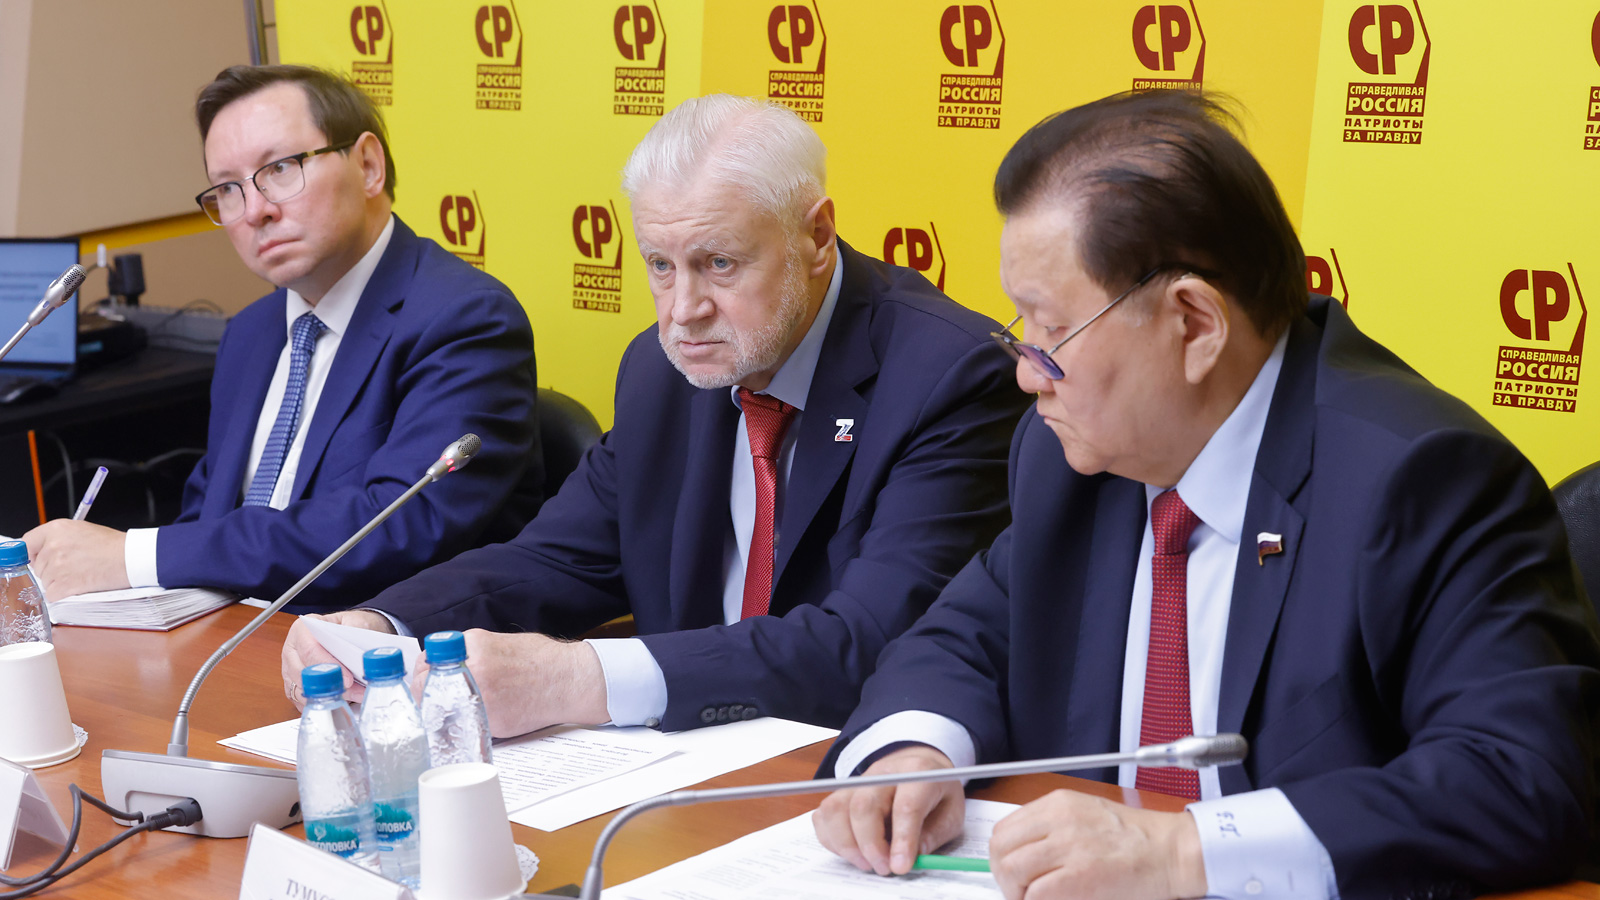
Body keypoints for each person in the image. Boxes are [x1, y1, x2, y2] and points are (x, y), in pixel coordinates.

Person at [812, 90, 1600, 900]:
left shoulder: (1420, 482)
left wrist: (1186, 850)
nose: (1026, 374)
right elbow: (966, 635)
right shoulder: (1072, 456)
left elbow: (1520, 776)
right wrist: (914, 749)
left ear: (1193, 323)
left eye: (1048, 331)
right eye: (1019, 328)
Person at [281, 93, 1030, 733]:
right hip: (679, 761)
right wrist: (382, 624)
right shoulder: (660, 369)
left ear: (817, 237)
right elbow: (557, 559)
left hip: (844, 763)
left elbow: (871, 640)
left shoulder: (948, 377)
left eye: (720, 263)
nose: (684, 310)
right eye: (661, 266)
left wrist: (580, 679)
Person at [24, 65, 542, 612]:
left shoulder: (463, 318)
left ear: (368, 166)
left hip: (375, 644)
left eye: (280, 169)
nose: (256, 211)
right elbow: (208, 519)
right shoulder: (250, 333)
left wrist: (132, 555)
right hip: (231, 635)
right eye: (228, 189)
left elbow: (397, 525)